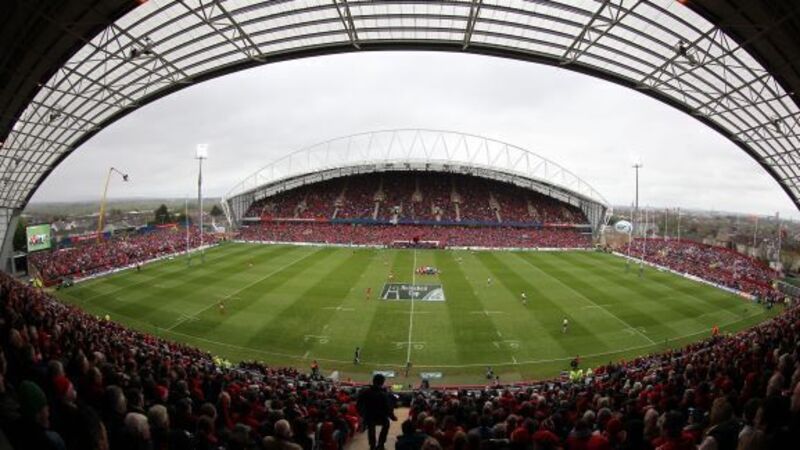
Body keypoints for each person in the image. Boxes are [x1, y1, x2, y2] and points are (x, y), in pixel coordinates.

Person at [357, 374, 397, 450]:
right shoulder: (384, 394)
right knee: (386, 424)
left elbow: (359, 404)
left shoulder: (366, 392)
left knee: (371, 429)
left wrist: (362, 414)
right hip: (381, 416)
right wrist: (392, 417)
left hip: (369, 416)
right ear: (382, 382)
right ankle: (381, 444)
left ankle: (372, 446)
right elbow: (388, 408)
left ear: (373, 381)